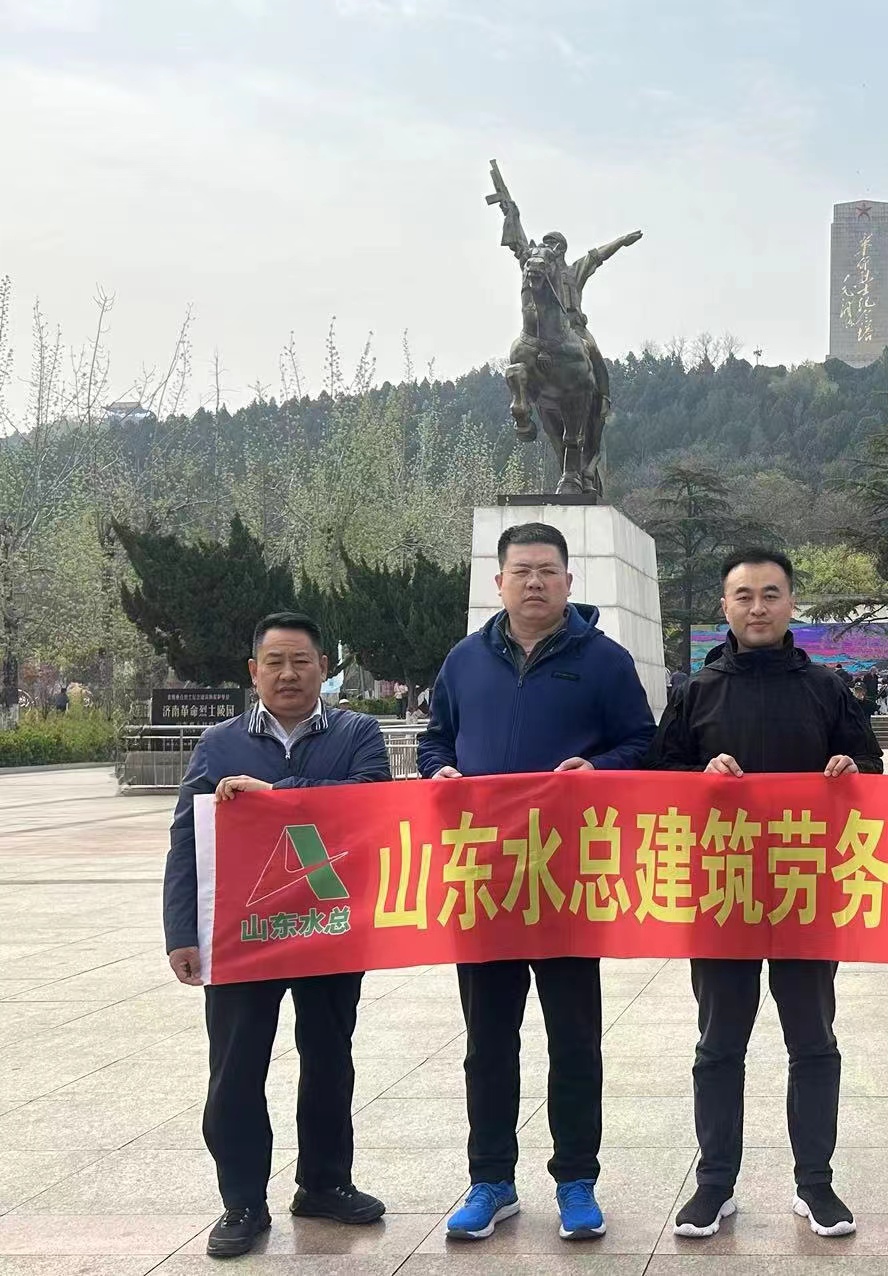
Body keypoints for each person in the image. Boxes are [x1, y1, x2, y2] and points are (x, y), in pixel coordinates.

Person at [418, 522, 656, 1244]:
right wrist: (439, 771)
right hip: (484, 881)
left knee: (574, 1039)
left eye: (547, 570)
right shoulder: (463, 661)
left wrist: (599, 770)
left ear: (568, 582)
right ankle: (490, 1179)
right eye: (520, 570)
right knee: (488, 1041)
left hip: (567, 879)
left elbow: (643, 744)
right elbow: (434, 738)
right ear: (498, 582)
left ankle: (576, 1180)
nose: (533, 582)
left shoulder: (605, 661)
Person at [649, 548, 882, 1241]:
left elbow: (870, 768)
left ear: (791, 603)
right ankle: (714, 1185)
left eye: (771, 594)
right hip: (721, 892)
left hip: (806, 891)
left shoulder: (828, 688)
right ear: (724, 606)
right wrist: (700, 775)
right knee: (719, 1044)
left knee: (813, 1041)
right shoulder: (696, 692)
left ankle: (816, 1184)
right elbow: (657, 783)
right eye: (744, 595)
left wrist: (849, 767)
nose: (758, 607)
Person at [162, 612, 391, 1258]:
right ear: (253, 672)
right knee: (236, 1068)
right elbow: (187, 839)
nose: (288, 674)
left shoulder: (357, 733)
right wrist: (182, 931)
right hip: (244, 933)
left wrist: (277, 795)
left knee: (329, 1059)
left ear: (324, 668)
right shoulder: (219, 744)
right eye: (275, 662)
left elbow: (369, 806)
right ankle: (242, 1201)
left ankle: (325, 1183)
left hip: (329, 927)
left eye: (301, 661)